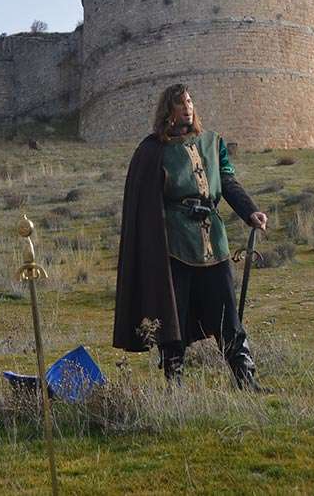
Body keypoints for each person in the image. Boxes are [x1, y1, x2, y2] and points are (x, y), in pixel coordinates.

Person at [112, 84, 269, 390]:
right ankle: (176, 386)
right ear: (167, 111)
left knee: (227, 314)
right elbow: (144, 205)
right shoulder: (153, 150)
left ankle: (246, 381)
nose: (187, 107)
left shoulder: (212, 142)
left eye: (189, 101)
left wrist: (250, 212)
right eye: (180, 103)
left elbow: (226, 180)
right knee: (174, 319)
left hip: (214, 240)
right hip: (174, 245)